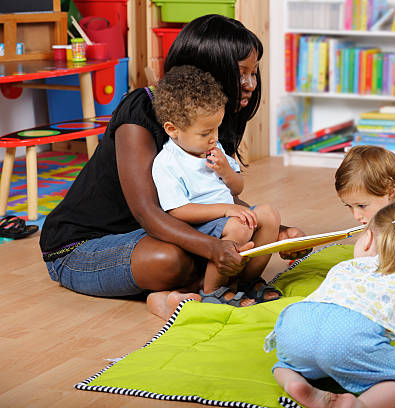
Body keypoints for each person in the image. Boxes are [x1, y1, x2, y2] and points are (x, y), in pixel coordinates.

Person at [39, 15, 306, 319]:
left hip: (156, 232)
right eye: (241, 73)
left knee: (236, 234)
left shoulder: (213, 118)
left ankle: (184, 294)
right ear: (210, 71)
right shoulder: (140, 111)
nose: (250, 85)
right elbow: (149, 213)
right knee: (173, 258)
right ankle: (187, 292)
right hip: (83, 246)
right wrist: (213, 247)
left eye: (254, 73)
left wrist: (276, 233)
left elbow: (212, 194)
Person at [264, 202, 395, 408]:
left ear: (368, 239)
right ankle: (359, 405)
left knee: (284, 366)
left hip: (295, 328)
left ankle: (293, 382)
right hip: (349, 339)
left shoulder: (343, 266)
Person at [151, 65, 281, 308]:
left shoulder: (214, 149)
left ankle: (247, 280)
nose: (214, 137)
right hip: (201, 226)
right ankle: (214, 291)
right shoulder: (167, 162)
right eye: (205, 132)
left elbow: (237, 188)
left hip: (228, 217)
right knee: (239, 227)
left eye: (217, 128)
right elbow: (177, 211)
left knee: (269, 215)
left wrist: (226, 171)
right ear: (173, 129)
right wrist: (226, 210)